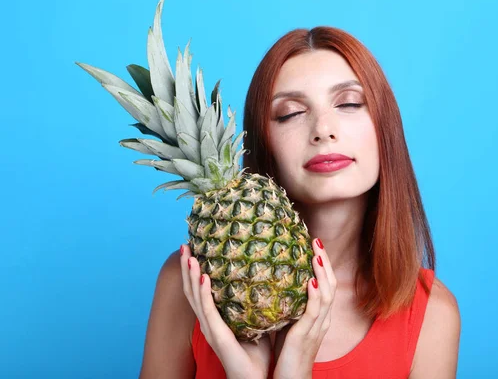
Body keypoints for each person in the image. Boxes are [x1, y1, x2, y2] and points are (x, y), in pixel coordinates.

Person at [139, 26, 461, 379]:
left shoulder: (432, 314)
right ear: (264, 143)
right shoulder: (189, 286)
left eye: (350, 103)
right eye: (290, 112)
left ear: (385, 127)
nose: (323, 128)